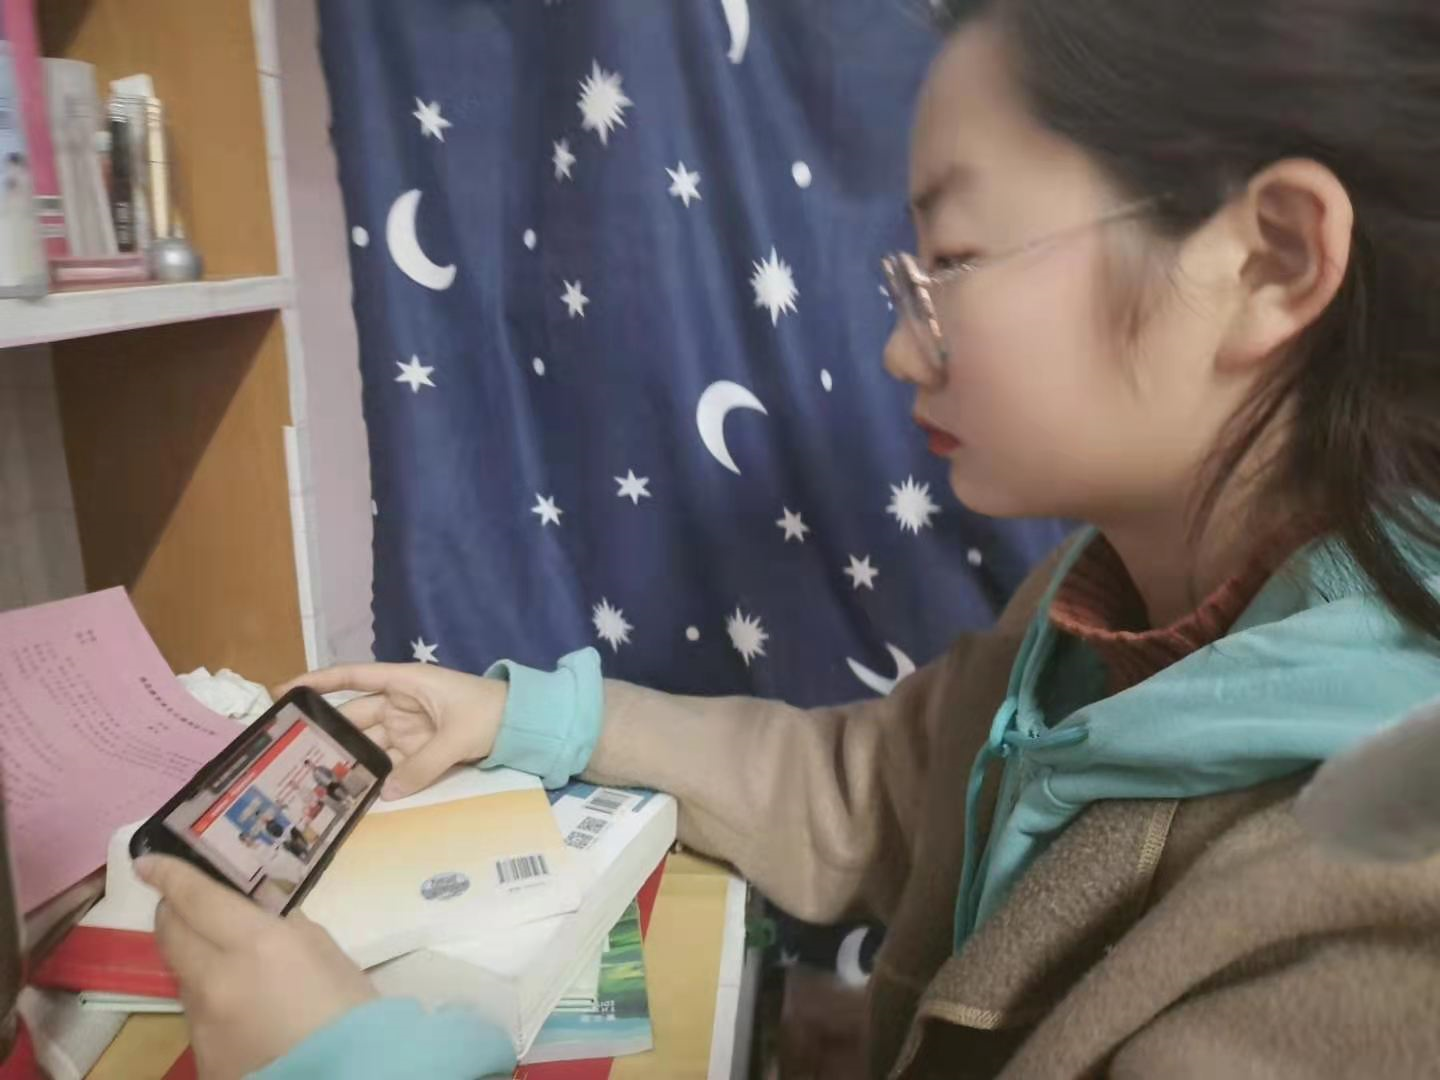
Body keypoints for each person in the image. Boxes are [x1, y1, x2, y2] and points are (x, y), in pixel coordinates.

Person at [138, 0, 1440, 1077]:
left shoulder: (1382, 908)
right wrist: (523, 718)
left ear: (1271, 259)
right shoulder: (1103, 602)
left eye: (951, 263)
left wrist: (350, 1061)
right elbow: (871, 792)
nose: (897, 351)